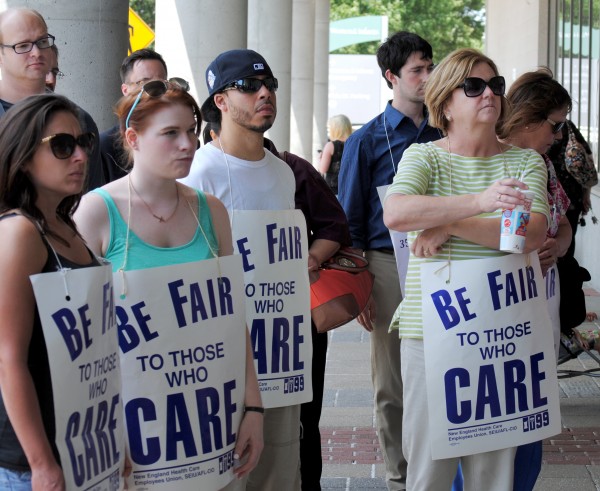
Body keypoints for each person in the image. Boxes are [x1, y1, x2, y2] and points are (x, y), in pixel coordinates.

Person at [74, 80, 263, 488]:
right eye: (171, 133)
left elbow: (234, 320)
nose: (188, 144)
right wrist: (103, 432)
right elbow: (81, 346)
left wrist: (254, 408)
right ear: (132, 138)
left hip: (214, 425)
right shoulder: (96, 213)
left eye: (192, 131)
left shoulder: (211, 211)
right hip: (134, 431)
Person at [383, 48, 550, 491]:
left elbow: (527, 235)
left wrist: (448, 222)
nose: (489, 94)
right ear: (445, 103)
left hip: (504, 333)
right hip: (431, 331)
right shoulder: (425, 158)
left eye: (495, 85)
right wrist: (482, 203)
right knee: (430, 469)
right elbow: (397, 213)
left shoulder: (524, 162)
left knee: (494, 474)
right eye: (473, 86)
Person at [182, 49, 346, 491]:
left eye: (269, 84)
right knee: (231, 470)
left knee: (281, 464)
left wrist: (305, 261)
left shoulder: (283, 173)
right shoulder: (201, 172)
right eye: (250, 87)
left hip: (283, 348)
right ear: (220, 101)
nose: (265, 93)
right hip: (227, 352)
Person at [337, 31, 439, 490]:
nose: (426, 77)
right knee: (392, 375)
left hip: (441, 258)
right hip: (383, 262)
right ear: (391, 77)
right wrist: (359, 287)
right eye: (417, 70)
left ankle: (438, 458)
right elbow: (349, 219)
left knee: (443, 361)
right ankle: (399, 472)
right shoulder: (366, 140)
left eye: (429, 67)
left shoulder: (443, 133)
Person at [0, 93, 97, 490]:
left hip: (83, 447)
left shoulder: (64, 225)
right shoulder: (20, 231)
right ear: (22, 156)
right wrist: (41, 464)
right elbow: (8, 358)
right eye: (61, 145)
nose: (79, 155)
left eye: (83, 142)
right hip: (32, 463)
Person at [0, 7, 102, 192]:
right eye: (22, 46)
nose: (37, 52)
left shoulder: (78, 120)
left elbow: (91, 197)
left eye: (42, 41)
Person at [97, 48, 180, 186]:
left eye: (162, 83)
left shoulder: (180, 141)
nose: (155, 89)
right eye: (144, 82)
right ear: (125, 90)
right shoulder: (105, 146)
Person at [317, 114, 352, 195]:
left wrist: (320, 159)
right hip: (351, 189)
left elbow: (322, 169)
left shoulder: (331, 146)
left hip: (334, 191)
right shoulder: (354, 143)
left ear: (335, 129)